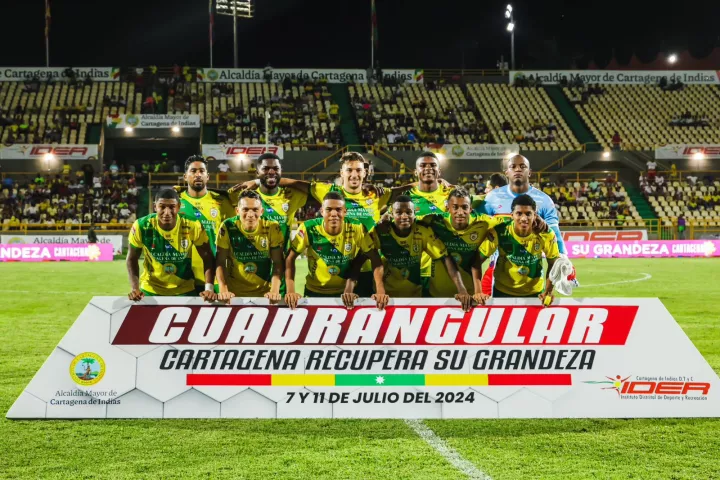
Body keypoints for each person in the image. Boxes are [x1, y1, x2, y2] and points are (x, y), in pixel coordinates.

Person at [479, 154, 570, 295]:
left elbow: (554, 233)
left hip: (532, 267)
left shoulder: (544, 200)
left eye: (522, 167)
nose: (518, 169)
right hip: (500, 266)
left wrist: (563, 257)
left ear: (530, 172)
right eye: (513, 167)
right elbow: (479, 226)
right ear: (506, 172)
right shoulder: (492, 197)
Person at [285, 191, 388, 310]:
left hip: (346, 294)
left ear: (345, 212)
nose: (334, 214)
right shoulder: (309, 228)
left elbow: (375, 258)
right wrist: (290, 290)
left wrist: (380, 290)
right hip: (314, 291)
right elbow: (290, 258)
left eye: (338, 209)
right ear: (322, 211)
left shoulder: (357, 228)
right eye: (329, 209)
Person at [372, 195, 473, 310]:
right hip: (385, 296)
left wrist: (462, 290)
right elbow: (371, 257)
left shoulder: (422, 231)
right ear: (392, 214)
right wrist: (380, 290)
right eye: (399, 213)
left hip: (414, 296)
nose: (404, 216)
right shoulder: (381, 231)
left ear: (415, 214)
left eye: (408, 212)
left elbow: (446, 257)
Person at [126, 189, 216, 300]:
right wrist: (135, 288)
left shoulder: (193, 224)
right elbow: (132, 258)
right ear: (155, 207)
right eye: (162, 207)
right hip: (150, 289)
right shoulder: (141, 226)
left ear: (178, 207)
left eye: (172, 207)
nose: (167, 212)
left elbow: (208, 257)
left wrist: (209, 288)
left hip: (184, 289)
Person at [472, 194, 559, 303]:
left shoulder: (546, 234)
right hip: (502, 291)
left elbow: (553, 263)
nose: (524, 218)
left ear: (535, 215)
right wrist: (478, 291)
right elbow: (476, 261)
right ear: (512, 215)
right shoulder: (500, 231)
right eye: (519, 213)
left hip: (535, 292)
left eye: (528, 214)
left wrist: (548, 291)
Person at [177, 155, 236, 292]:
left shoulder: (222, 201)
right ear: (185, 176)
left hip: (216, 274)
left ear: (207, 176)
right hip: (183, 275)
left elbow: (233, 233)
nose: (198, 175)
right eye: (193, 171)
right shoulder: (175, 202)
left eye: (202, 171)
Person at [215, 190, 284, 302]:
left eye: (255, 210)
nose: (250, 214)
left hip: (264, 295)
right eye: (245, 209)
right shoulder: (227, 226)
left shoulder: (272, 226)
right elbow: (220, 261)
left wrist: (274, 290)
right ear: (237, 211)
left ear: (262, 211)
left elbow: (278, 262)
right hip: (233, 294)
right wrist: (223, 289)